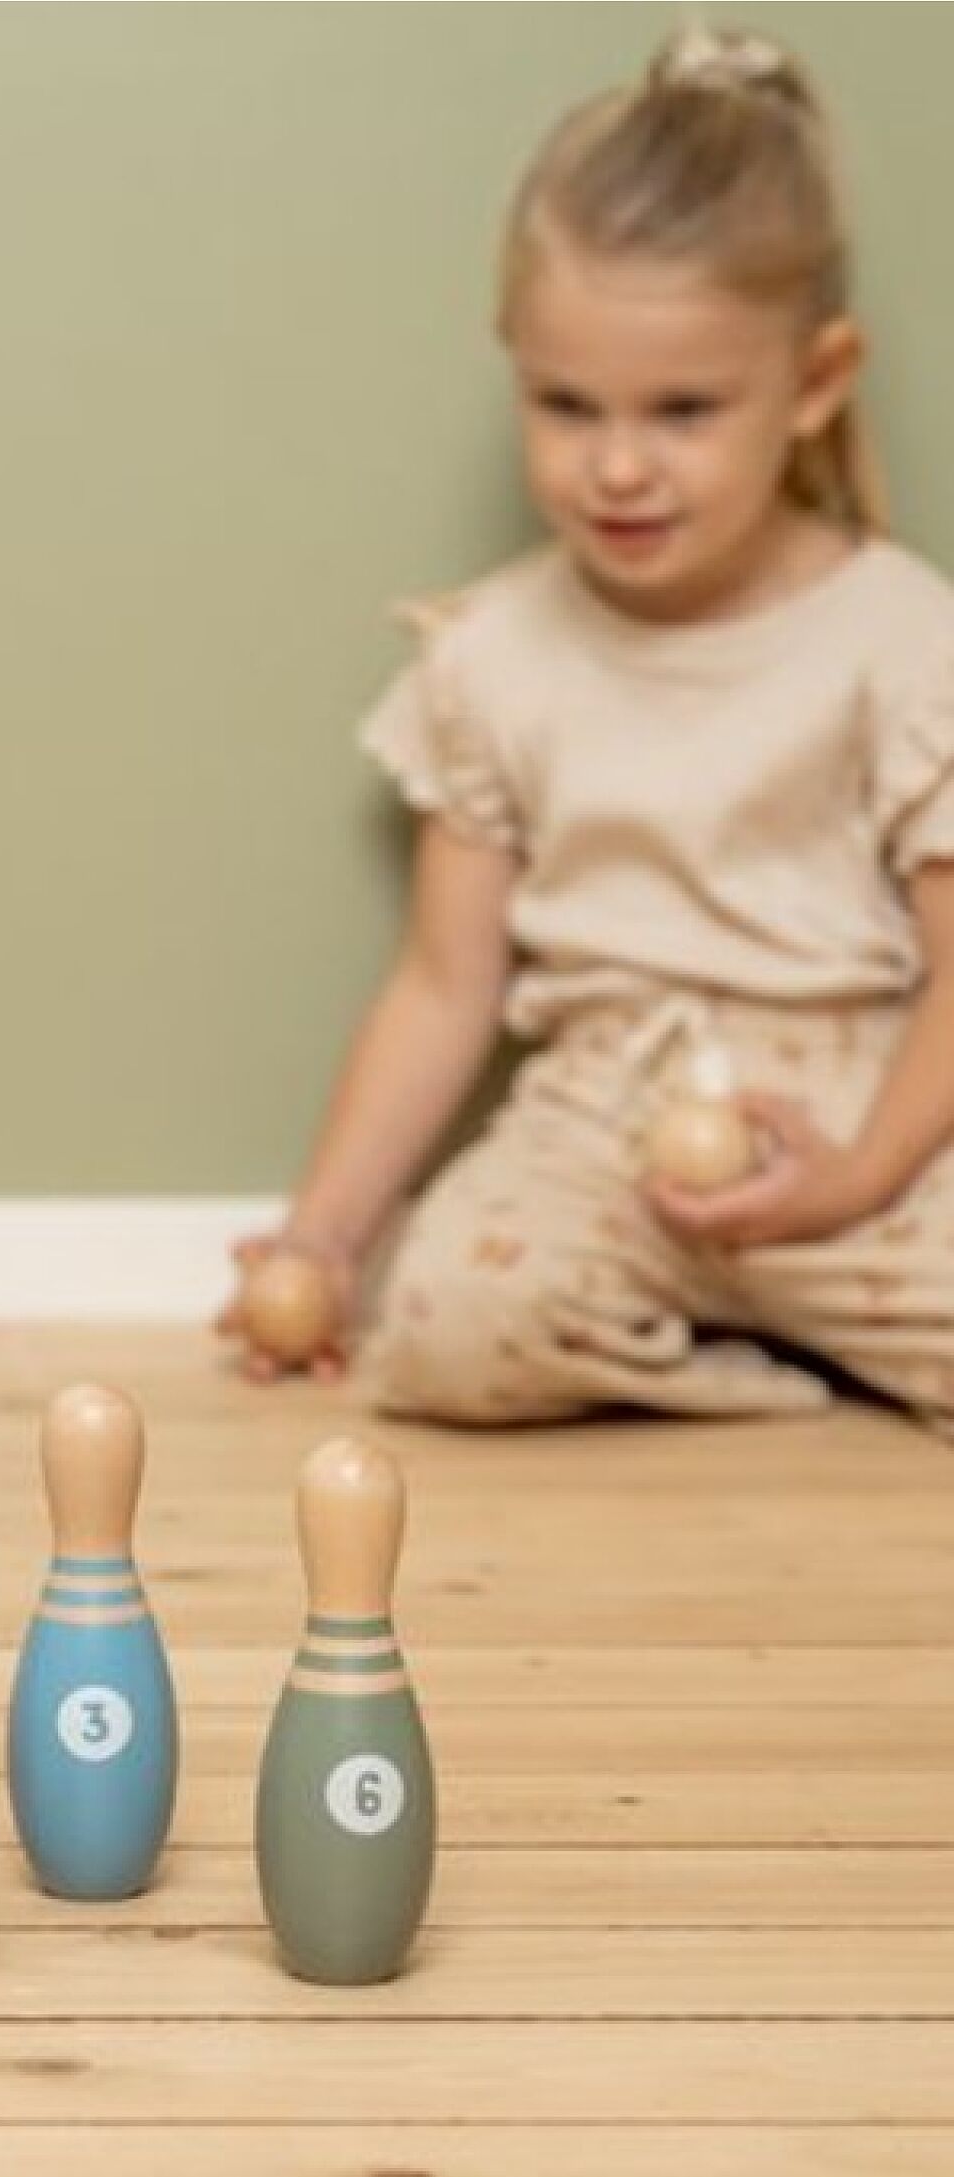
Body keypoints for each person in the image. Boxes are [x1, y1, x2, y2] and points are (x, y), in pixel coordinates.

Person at [219, 23, 954, 1439]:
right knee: (442, 1334)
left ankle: (802, 1321)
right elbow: (443, 987)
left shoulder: (902, 639)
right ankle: (738, 1370)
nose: (617, 466)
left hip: (859, 1121)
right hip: (601, 1118)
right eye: (566, 405)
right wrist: (321, 1235)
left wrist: (860, 1175)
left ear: (814, 384)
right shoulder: (492, 657)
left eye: (684, 411)